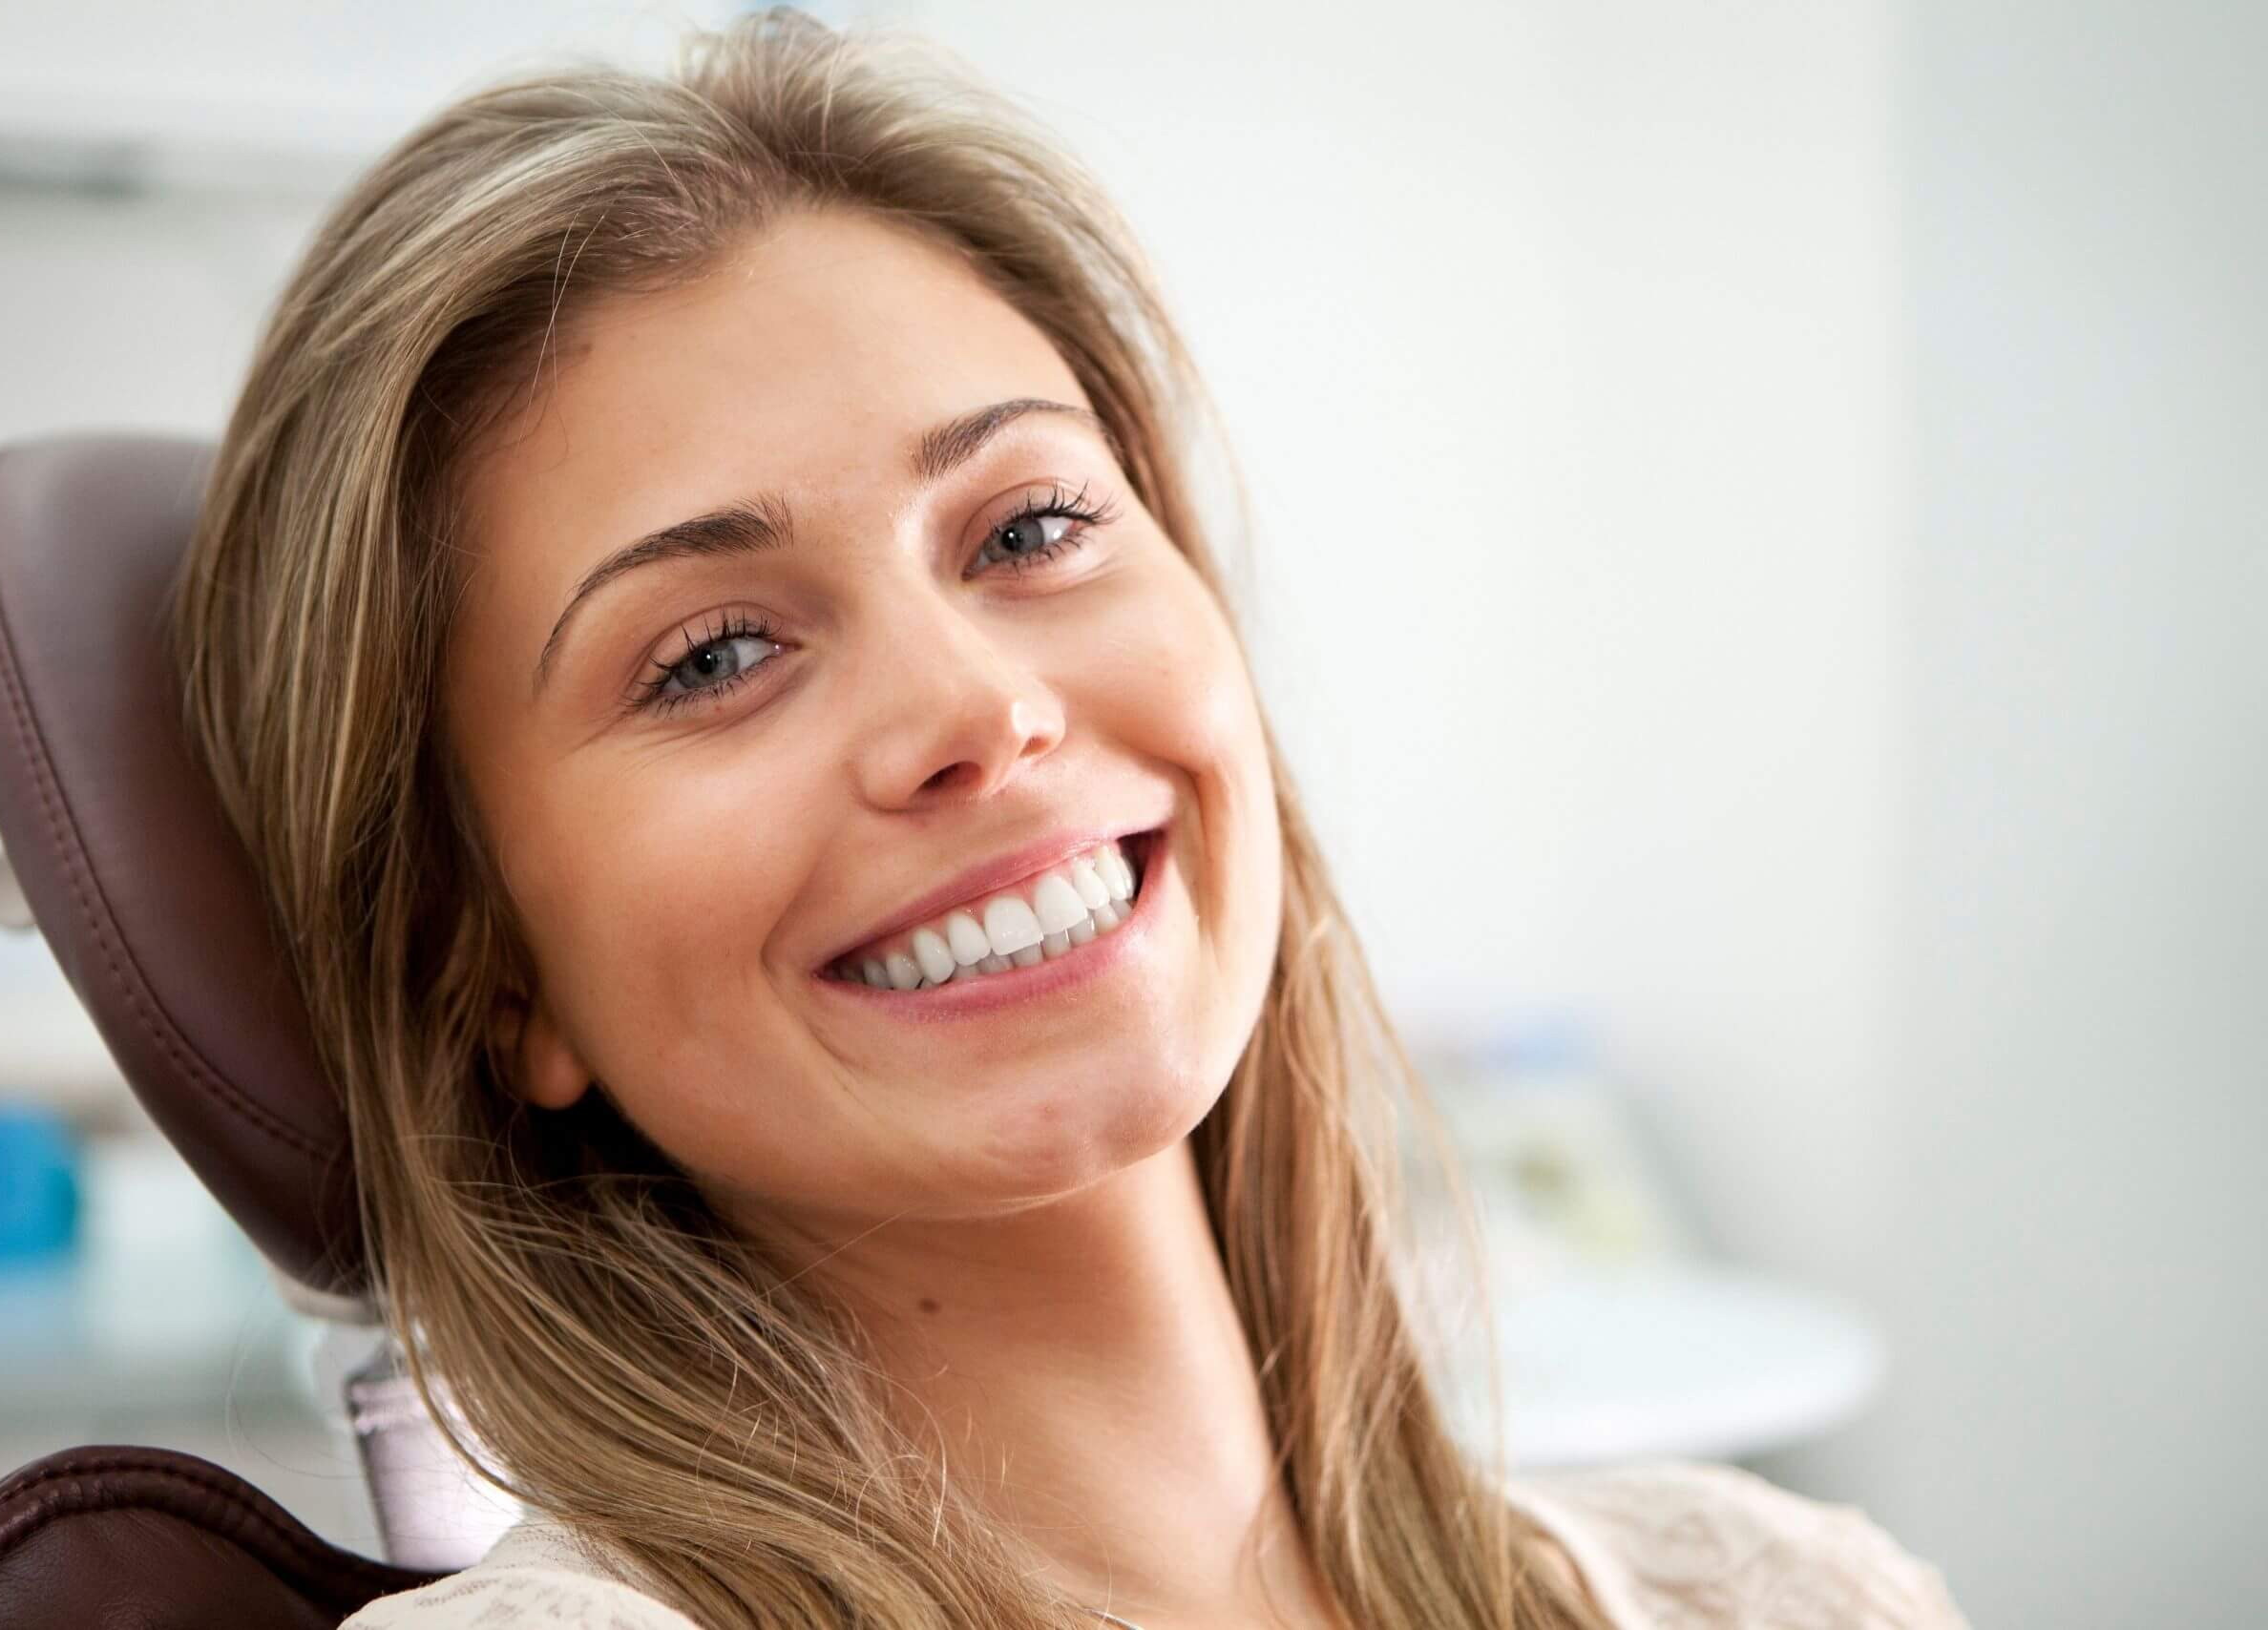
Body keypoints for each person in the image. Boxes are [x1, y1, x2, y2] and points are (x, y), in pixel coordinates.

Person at [171, 10, 1965, 1628]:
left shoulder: (1780, 1596)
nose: (976, 711)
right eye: (716, 653)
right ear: (488, 967)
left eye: (1029, 529)